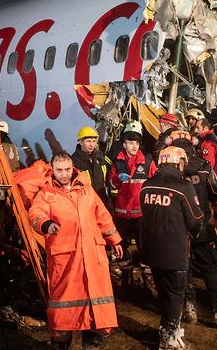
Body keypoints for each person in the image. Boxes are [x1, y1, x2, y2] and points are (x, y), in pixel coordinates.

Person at [29, 152, 123, 350]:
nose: (64, 174)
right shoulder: (46, 194)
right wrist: (46, 224)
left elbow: (102, 216)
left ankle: (92, 344)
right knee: (65, 310)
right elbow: (35, 213)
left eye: (67, 169)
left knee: (95, 309)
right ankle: (61, 344)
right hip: (67, 260)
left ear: (73, 169)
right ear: (52, 170)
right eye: (59, 170)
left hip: (93, 257)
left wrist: (114, 239)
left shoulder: (87, 190)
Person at [139, 146, 203, 350]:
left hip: (152, 250)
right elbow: (195, 220)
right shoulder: (183, 186)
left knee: (164, 293)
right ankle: (169, 337)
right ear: (179, 162)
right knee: (176, 295)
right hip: (175, 251)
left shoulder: (147, 185)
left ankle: (165, 330)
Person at [176, 137, 217, 328]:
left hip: (181, 226)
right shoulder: (204, 165)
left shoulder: (173, 171)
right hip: (203, 224)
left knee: (185, 267)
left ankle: (190, 309)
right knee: (209, 267)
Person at [108, 130, 155, 272]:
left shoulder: (147, 161)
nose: (134, 146)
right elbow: (111, 183)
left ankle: (147, 271)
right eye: (130, 143)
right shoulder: (117, 162)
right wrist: (116, 179)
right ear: (124, 145)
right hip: (122, 211)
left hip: (141, 212)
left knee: (144, 243)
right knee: (121, 244)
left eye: (136, 143)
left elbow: (155, 181)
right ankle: (124, 272)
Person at [71, 126, 109, 204]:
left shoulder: (101, 156)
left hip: (102, 199)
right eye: (88, 141)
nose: (91, 144)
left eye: (94, 141)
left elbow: (109, 175)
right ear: (81, 142)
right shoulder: (74, 161)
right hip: (85, 202)